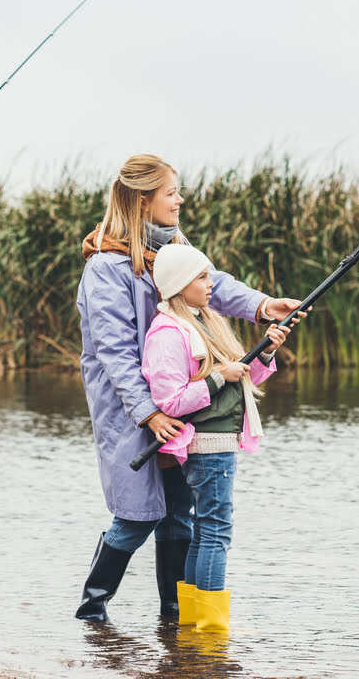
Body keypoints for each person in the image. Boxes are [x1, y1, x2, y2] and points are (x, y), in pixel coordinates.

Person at [74, 153, 303, 623]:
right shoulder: (105, 267)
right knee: (137, 514)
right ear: (143, 200)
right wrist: (149, 413)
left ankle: (173, 619)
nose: (179, 201)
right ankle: (92, 610)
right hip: (131, 405)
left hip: (182, 397)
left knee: (180, 511)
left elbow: (212, 285)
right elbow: (114, 353)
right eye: (171, 193)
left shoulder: (174, 245)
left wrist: (263, 306)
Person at [143, 244, 288, 632]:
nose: (212, 284)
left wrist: (266, 353)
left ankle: (192, 626)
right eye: (203, 277)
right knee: (215, 532)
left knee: (203, 532)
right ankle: (210, 631)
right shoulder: (168, 333)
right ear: (180, 284)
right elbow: (170, 401)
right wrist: (219, 376)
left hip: (219, 442)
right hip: (207, 445)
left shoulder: (205, 321)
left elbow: (243, 381)